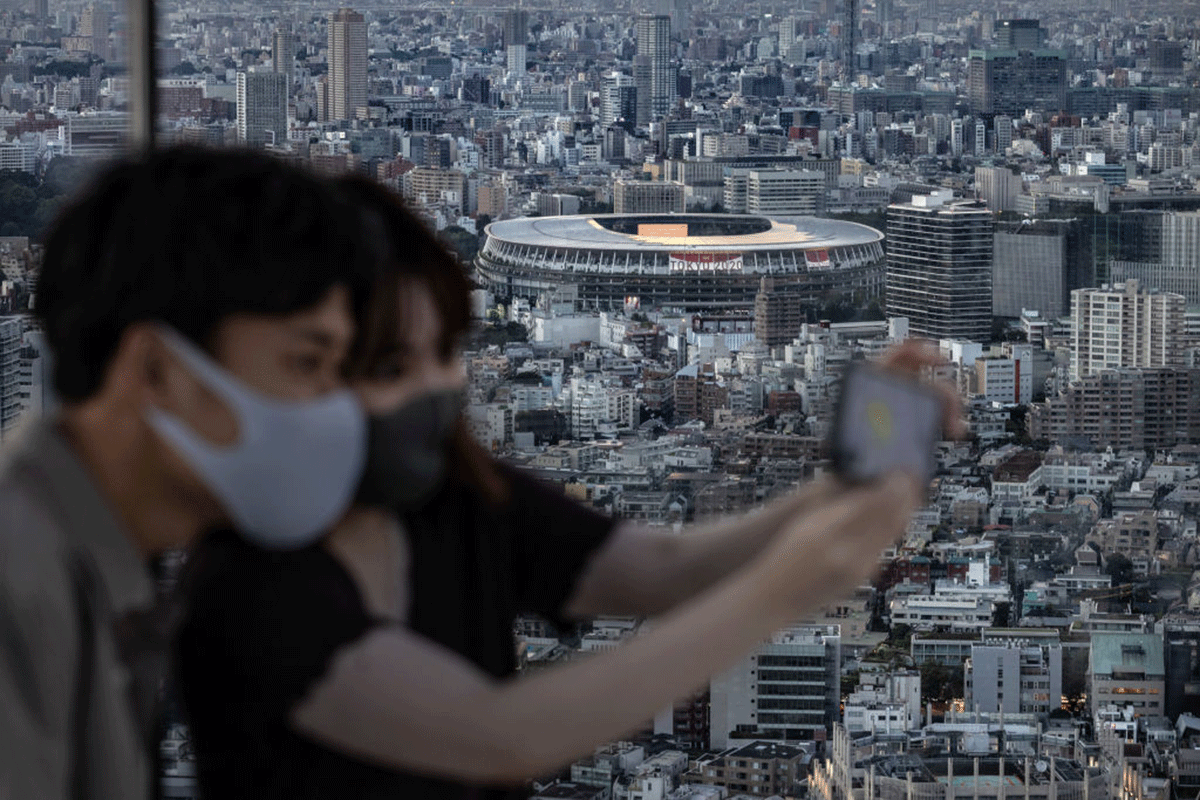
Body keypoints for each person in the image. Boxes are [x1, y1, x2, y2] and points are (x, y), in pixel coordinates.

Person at [176, 178, 955, 798]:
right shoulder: (248, 588)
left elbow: (659, 572)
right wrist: (790, 587)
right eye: (389, 367)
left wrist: (844, 482)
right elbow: (501, 736)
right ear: (305, 373)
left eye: (443, 351)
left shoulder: (452, 502)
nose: (431, 388)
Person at [0, 148, 380, 800]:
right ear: (155, 371)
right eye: (304, 364)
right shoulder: (24, 596)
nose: (335, 406)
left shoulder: (100, 572)